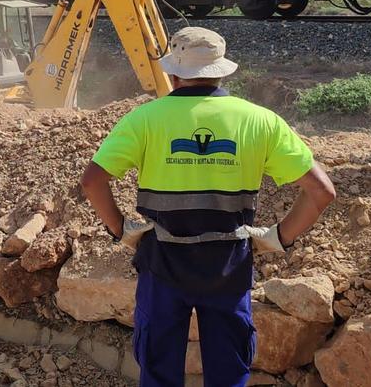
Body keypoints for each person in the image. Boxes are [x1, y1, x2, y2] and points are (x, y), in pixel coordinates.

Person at [80, 27, 335, 387]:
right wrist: (277, 237)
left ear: (172, 73)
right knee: (229, 373)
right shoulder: (259, 120)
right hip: (228, 266)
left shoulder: (145, 118)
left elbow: (92, 181)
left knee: (158, 372)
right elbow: (321, 192)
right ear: (222, 71)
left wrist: (121, 229)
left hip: (162, 264)